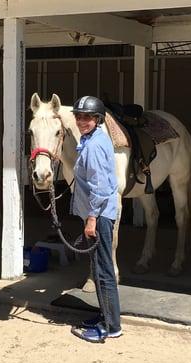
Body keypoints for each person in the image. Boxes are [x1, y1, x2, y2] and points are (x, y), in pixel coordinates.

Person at [70, 95, 122, 343]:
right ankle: (105, 315)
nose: (82, 121)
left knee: (103, 271)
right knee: (99, 267)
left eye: (87, 117)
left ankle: (112, 327)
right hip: (96, 213)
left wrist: (91, 219)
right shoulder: (90, 139)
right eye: (79, 117)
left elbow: (100, 187)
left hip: (99, 215)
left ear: (98, 119)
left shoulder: (94, 145)